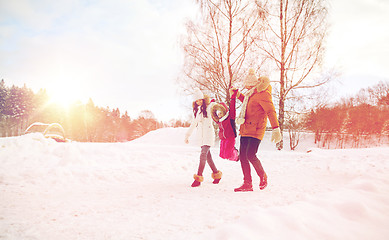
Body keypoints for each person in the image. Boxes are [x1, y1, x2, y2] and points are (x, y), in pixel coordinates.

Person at [231, 69, 282, 192]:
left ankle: (262, 176)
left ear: (252, 84)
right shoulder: (250, 94)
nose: (245, 87)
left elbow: (270, 111)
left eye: (247, 85)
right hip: (246, 128)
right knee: (243, 156)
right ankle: (247, 183)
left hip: (257, 129)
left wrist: (276, 128)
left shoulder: (263, 94)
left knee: (250, 154)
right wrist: (238, 95)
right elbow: (248, 103)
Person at [185, 88, 222, 187]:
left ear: (203, 99)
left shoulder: (209, 107)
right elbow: (193, 124)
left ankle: (198, 178)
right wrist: (187, 135)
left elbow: (218, 106)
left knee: (203, 155)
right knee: (208, 158)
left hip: (208, 136)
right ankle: (217, 174)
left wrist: (220, 110)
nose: (199, 102)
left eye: (200, 100)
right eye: (197, 101)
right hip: (201, 138)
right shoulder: (197, 112)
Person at [210, 89, 239, 162]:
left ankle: (237, 154)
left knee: (228, 155)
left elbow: (232, 106)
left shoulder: (230, 117)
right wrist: (211, 105)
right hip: (223, 139)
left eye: (220, 113)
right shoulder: (219, 121)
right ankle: (234, 153)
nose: (219, 115)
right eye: (218, 114)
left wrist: (233, 96)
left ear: (224, 111)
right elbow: (213, 117)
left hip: (230, 137)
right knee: (222, 155)